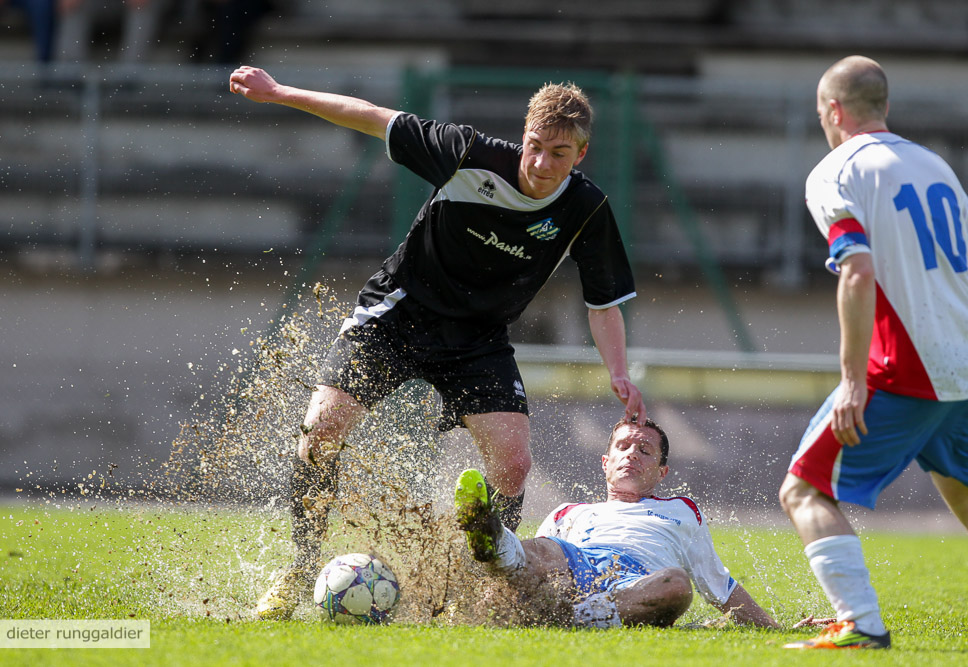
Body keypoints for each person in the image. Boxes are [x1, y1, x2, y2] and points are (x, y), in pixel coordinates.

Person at [228, 66, 647, 620]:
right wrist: (279, 92)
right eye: (535, 147)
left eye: (560, 153)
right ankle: (299, 566)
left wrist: (617, 370)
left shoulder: (586, 208)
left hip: (477, 341)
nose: (543, 164)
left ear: (581, 155)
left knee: (513, 466)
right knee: (321, 431)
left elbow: (603, 303)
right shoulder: (466, 153)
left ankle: (488, 582)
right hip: (397, 315)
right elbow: (372, 117)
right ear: (523, 138)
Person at [779, 55, 968, 650]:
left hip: (906, 366)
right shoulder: (934, 165)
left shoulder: (835, 170)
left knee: (803, 491)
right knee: (966, 490)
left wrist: (853, 382)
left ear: (833, 111)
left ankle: (861, 623)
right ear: (885, 107)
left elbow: (856, 272)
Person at [454, 418, 779, 629]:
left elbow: (720, 587)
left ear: (661, 472)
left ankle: (568, 619)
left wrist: (776, 630)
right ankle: (493, 538)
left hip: (633, 581)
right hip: (572, 563)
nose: (632, 454)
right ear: (606, 464)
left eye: (645, 450)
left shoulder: (682, 510)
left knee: (677, 585)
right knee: (541, 549)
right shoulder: (567, 511)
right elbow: (532, 567)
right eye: (623, 447)